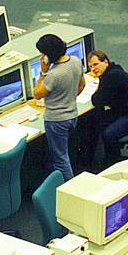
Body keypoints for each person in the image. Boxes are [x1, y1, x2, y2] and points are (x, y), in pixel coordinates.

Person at [80, 50, 128, 167]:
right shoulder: (115, 69)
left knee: (107, 134)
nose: (93, 69)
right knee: (97, 119)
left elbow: (97, 100)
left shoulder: (111, 77)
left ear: (105, 62)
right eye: (91, 67)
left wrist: (99, 86)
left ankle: (113, 162)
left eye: (96, 64)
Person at [33, 34, 85, 181]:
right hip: (72, 116)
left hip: (56, 121)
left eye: (43, 54)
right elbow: (82, 85)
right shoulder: (75, 61)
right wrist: (67, 99)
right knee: (62, 153)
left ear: (48, 55)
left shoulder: (53, 75)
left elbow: (37, 94)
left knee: (61, 160)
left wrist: (43, 72)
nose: (41, 57)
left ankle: (70, 187)